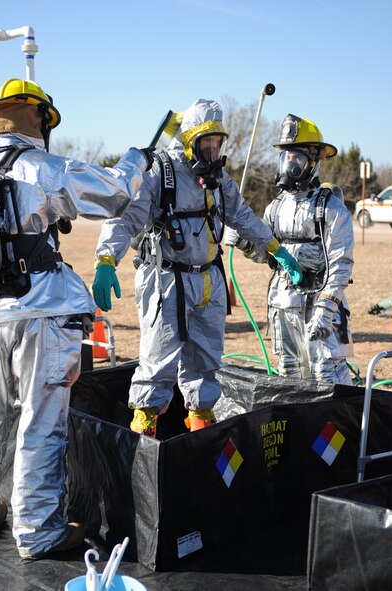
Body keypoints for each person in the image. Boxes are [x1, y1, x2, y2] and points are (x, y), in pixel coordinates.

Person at [0, 78, 153, 560]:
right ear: (37, 118)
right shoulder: (40, 167)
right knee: (41, 424)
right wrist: (135, 160)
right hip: (41, 315)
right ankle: (38, 531)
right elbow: (116, 194)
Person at [91, 99, 304, 437]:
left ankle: (200, 429)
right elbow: (126, 218)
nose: (213, 148)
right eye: (207, 141)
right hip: (166, 280)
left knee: (205, 362)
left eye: (218, 142)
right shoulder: (159, 173)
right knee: (158, 362)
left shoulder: (220, 180)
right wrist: (106, 260)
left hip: (209, 279)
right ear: (190, 139)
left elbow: (244, 217)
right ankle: (145, 437)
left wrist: (275, 248)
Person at [227, 114, 354, 383]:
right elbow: (267, 253)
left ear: (314, 160)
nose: (289, 163)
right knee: (290, 373)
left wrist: (325, 310)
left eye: (296, 157)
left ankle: (343, 424)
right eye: (286, 157)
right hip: (282, 304)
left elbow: (340, 264)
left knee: (325, 373)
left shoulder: (330, 208)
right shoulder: (275, 207)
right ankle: (299, 425)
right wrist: (242, 241)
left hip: (318, 304)